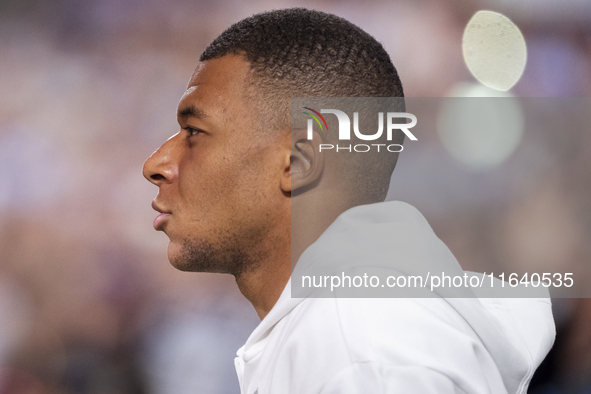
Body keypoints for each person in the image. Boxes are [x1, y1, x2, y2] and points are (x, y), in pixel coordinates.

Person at [142, 8, 555, 394]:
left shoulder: (364, 347)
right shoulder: (348, 331)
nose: (156, 163)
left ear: (298, 162)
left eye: (193, 131)